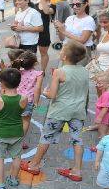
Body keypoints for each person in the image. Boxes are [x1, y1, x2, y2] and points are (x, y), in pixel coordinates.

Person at [20, 41, 89, 180]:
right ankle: (77, 170)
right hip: (78, 111)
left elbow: (52, 95)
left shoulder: (59, 72)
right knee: (77, 140)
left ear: (64, 57)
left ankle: (34, 164)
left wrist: (45, 93)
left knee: (46, 137)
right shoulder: (85, 71)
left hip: (59, 111)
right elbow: (86, 93)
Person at [0, 68, 28, 189]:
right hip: (17, 132)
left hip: (1, 133)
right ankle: (13, 179)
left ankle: (0, 184)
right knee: (16, 156)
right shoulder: (24, 98)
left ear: (2, 83)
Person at [13, 51, 43, 146]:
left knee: (15, 119)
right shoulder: (38, 74)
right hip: (28, 100)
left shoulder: (17, 72)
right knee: (25, 120)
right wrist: (36, 102)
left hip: (15, 99)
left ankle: (10, 139)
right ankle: (19, 141)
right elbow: (37, 88)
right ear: (35, 63)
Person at [55, 0, 96, 65]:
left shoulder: (89, 20)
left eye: (78, 4)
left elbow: (83, 40)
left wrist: (64, 31)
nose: (74, 7)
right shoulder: (69, 18)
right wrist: (59, 29)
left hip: (80, 52)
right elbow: (62, 39)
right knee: (64, 74)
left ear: (86, 4)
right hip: (67, 50)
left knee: (77, 75)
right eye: (72, 5)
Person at [87, 72, 109, 142]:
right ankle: (97, 126)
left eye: (100, 83)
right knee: (102, 124)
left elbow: (105, 108)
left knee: (102, 131)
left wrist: (99, 118)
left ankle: (103, 143)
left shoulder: (107, 95)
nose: (97, 85)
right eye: (97, 82)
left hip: (104, 116)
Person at [35, 0, 55, 74]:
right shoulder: (34, 5)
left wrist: (42, 1)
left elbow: (46, 11)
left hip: (44, 32)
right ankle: (31, 70)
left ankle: (42, 71)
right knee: (31, 52)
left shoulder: (53, 6)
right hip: (33, 31)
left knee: (43, 53)